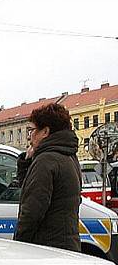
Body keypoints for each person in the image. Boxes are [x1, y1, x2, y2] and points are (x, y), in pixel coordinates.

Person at [14, 103, 81, 252]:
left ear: (45, 131)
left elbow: (32, 210)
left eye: (31, 130)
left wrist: (19, 245)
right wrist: (26, 162)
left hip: (46, 249)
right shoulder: (69, 156)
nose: (29, 136)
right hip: (67, 245)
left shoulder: (46, 160)